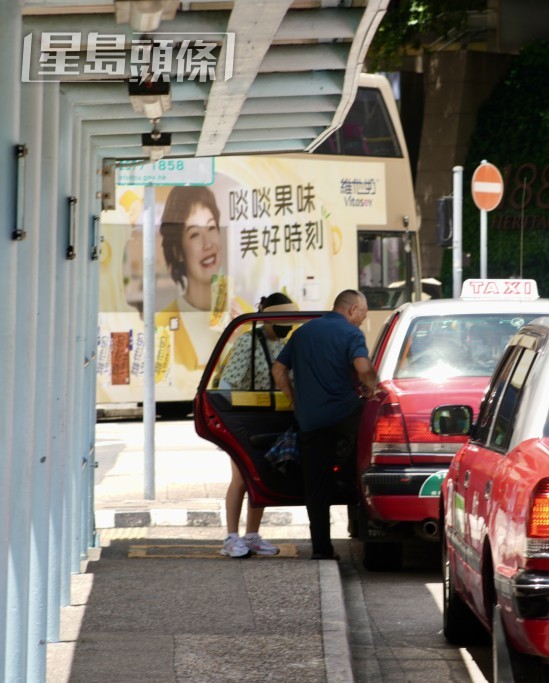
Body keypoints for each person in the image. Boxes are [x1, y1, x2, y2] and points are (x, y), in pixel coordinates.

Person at [271, 290, 382, 559]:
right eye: (362, 316)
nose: (361, 322)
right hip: (345, 417)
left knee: (316, 487)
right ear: (353, 309)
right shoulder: (350, 333)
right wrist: (374, 389)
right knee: (366, 469)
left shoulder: (302, 333)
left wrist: (295, 400)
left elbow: (277, 370)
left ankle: (322, 549)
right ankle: (365, 522)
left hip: (310, 422)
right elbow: (363, 367)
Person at [218, 292, 298, 558]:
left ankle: (252, 536)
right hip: (245, 418)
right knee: (241, 477)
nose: (287, 326)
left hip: (273, 417)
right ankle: (231, 538)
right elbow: (227, 382)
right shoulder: (248, 341)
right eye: (283, 320)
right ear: (268, 318)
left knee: (261, 475)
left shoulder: (287, 343)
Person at [155, 186, 252, 370]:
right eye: (194, 234)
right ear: (178, 251)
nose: (208, 244)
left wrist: (235, 339)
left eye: (211, 228)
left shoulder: (248, 319)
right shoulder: (162, 324)